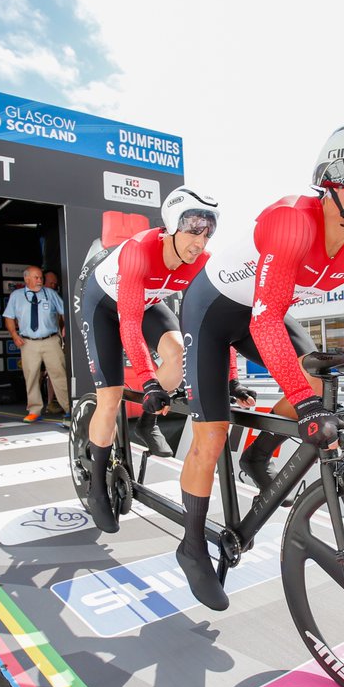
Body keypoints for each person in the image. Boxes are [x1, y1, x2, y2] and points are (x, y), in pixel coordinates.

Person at [176, 123, 344, 610]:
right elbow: (268, 317)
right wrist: (309, 407)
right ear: (339, 179)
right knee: (210, 435)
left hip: (261, 314)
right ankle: (192, 547)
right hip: (213, 313)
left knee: (320, 371)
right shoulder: (292, 220)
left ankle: (259, 452)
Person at [77, 186, 226, 533]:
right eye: (193, 230)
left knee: (180, 353)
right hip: (104, 306)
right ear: (173, 226)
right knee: (110, 399)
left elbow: (213, 323)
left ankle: (146, 421)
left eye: (208, 232)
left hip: (144, 301)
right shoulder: (141, 250)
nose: (200, 242)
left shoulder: (201, 262)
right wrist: (147, 381)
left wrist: (229, 377)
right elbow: (127, 322)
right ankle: (97, 484)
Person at [3, 266, 70, 423]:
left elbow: (64, 311)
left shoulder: (51, 294)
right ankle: (34, 410)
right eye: (36, 277)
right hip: (28, 342)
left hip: (51, 340)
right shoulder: (16, 296)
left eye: (41, 277)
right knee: (31, 376)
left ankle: (69, 408)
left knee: (59, 375)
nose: (40, 280)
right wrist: (14, 335)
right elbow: (8, 316)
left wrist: (66, 326)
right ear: (26, 279)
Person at [42, 270, 66, 415]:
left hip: (54, 339)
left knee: (55, 371)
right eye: (50, 283)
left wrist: (64, 329)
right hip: (34, 341)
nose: (53, 286)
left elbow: (63, 315)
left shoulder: (55, 297)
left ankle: (53, 403)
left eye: (55, 284)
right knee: (38, 374)